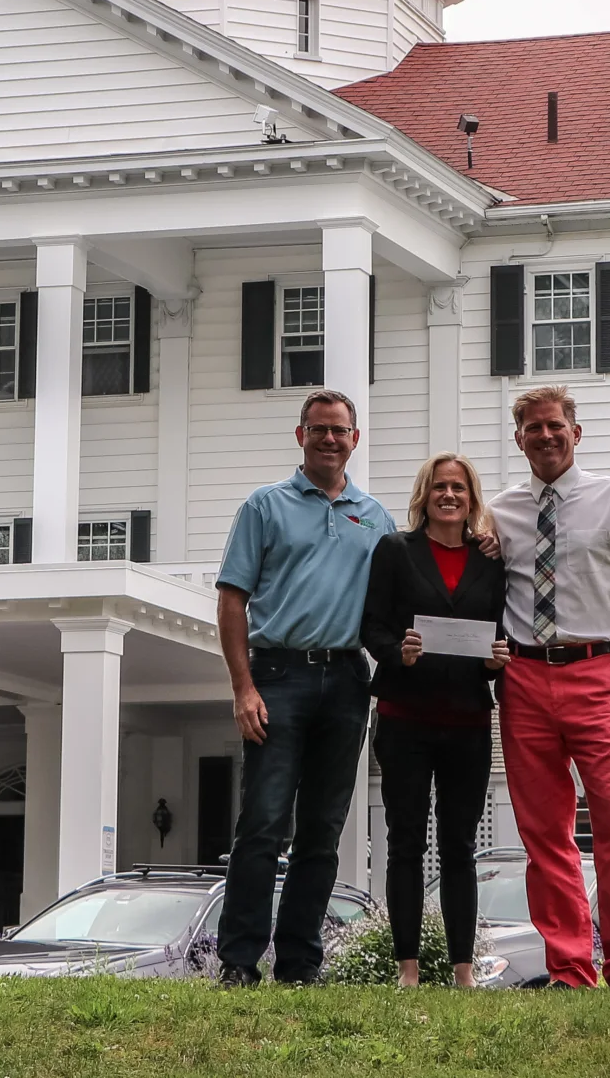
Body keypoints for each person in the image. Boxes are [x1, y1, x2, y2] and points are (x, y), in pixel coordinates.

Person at [489, 384, 610, 989]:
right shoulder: (500, 513)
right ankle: (569, 966)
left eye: (554, 425)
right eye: (533, 428)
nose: (545, 436)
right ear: (519, 439)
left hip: (601, 676)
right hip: (522, 678)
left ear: (575, 431)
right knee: (544, 832)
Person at [213, 389, 388, 985]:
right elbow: (232, 599)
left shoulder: (375, 516)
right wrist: (243, 687)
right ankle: (238, 962)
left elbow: (405, 586)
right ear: (301, 436)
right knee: (262, 823)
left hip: (346, 680)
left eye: (340, 431)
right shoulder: (265, 506)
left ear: (354, 439)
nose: (330, 439)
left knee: (323, 828)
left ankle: (299, 962)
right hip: (277, 675)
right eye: (319, 430)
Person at [360, 452, 509, 987]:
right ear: (424, 495)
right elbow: (371, 626)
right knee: (405, 843)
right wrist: (396, 650)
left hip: (468, 722)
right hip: (404, 719)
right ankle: (408, 969)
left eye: (460, 488)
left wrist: (497, 661)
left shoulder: (491, 562)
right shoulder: (395, 551)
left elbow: (501, 635)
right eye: (440, 487)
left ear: (472, 499)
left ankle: (463, 972)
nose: (449, 496)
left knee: (459, 847)